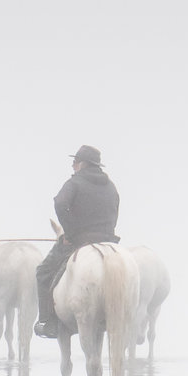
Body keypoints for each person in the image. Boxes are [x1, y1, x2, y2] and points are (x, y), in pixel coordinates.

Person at [36, 145, 120, 339]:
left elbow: (60, 203)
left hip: (79, 240)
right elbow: (115, 211)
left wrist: (70, 234)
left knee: (43, 272)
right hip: (109, 241)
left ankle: (48, 322)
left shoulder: (75, 183)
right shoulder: (111, 186)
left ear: (81, 164)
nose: (73, 166)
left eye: (74, 162)